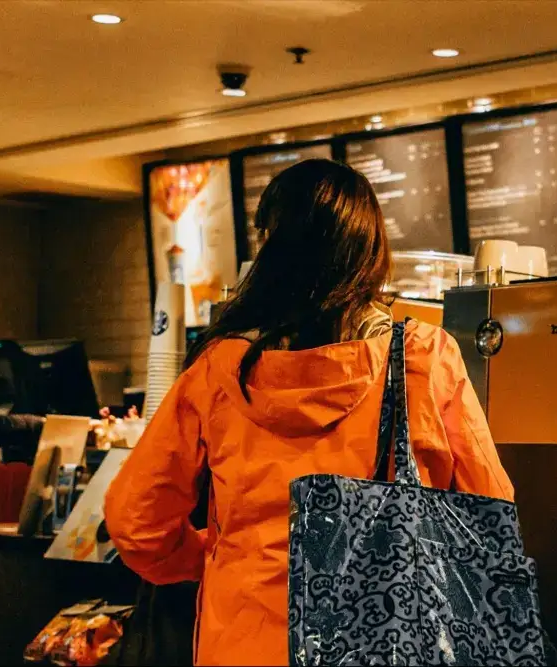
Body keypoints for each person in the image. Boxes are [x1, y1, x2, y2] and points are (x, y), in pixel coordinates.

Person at [103, 159, 513, 667]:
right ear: (372, 252)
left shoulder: (221, 372)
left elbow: (136, 521)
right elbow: (492, 511)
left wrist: (214, 553)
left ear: (271, 250)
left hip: (243, 645)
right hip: (393, 640)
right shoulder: (423, 359)